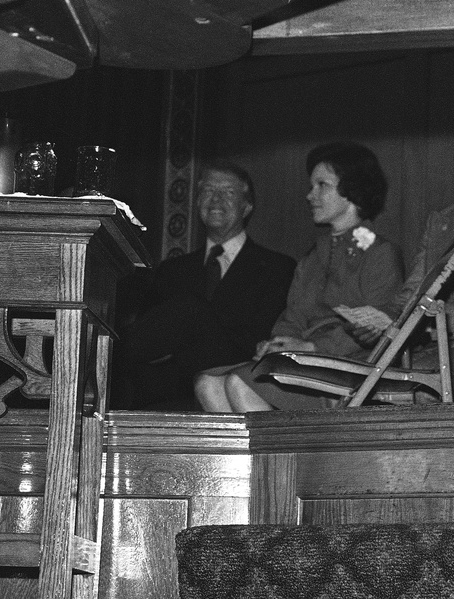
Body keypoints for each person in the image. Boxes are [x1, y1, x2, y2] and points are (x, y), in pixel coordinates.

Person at [194, 141, 403, 412]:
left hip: (349, 368)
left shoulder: (380, 253)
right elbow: (293, 316)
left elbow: (379, 329)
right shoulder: (313, 256)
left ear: (351, 190)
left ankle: (282, 454)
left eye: (322, 185)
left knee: (239, 383)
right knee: (207, 383)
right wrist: (278, 343)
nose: (310, 195)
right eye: (311, 186)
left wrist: (312, 346)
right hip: (305, 361)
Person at [113, 160, 296, 409]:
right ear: (197, 202)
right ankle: (98, 360)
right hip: (170, 394)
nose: (216, 200)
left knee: (191, 309)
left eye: (228, 193)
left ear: (247, 206)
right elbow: (147, 340)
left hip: (233, 386)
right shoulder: (171, 271)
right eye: (208, 191)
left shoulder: (277, 268)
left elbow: (261, 339)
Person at [346, 125, 454, 399]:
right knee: (354, 376)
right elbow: (412, 292)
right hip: (427, 346)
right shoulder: (441, 220)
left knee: (385, 385)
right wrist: (383, 320)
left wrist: (420, 323)